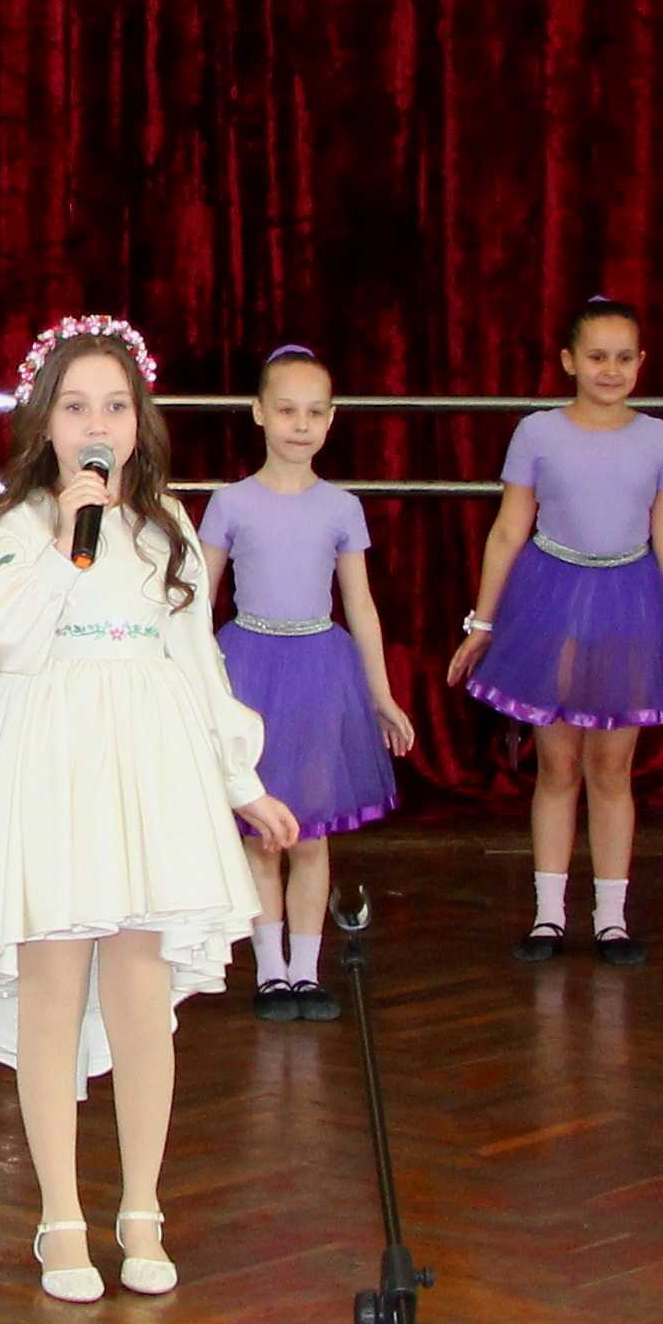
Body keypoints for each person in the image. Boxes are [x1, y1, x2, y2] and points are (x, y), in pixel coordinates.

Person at [0, 317, 298, 1301]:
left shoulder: (168, 529)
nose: (96, 423)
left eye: (114, 405)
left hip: (143, 770)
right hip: (48, 768)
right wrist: (61, 543)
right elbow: (2, 641)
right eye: (75, 406)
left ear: (138, 420)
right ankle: (61, 1215)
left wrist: (241, 780)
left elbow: (196, 661)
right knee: (52, 983)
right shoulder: (22, 528)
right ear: (46, 424)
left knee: (139, 989)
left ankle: (143, 1206)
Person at [442, 297, 663, 963]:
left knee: (612, 769)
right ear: (568, 361)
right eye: (596, 356)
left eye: (623, 358)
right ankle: (548, 915)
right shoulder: (537, 433)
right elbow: (509, 530)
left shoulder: (661, 439)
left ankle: (612, 919)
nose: (610, 369)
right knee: (558, 765)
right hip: (550, 603)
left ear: (641, 362)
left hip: (631, 604)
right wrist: (484, 621)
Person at [199, 345, 415, 1018]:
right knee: (262, 831)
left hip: (321, 674)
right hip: (249, 671)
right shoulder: (231, 502)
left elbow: (361, 604)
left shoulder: (341, 507)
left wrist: (380, 694)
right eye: (287, 409)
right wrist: (193, 687)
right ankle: (270, 971)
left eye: (314, 412)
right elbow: (197, 602)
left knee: (312, 832)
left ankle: (306, 969)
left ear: (331, 418)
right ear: (259, 412)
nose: (300, 424)